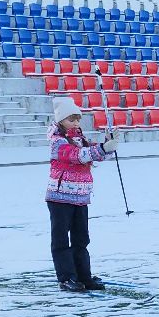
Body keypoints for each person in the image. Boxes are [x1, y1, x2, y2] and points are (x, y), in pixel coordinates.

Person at [46, 97, 117, 292]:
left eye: (78, 119)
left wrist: (108, 146)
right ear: (61, 120)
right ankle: (66, 277)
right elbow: (77, 156)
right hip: (60, 198)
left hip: (80, 197)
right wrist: (101, 149)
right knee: (61, 239)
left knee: (81, 239)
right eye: (71, 119)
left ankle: (83, 275)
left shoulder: (80, 139)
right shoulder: (57, 142)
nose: (76, 123)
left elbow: (94, 152)